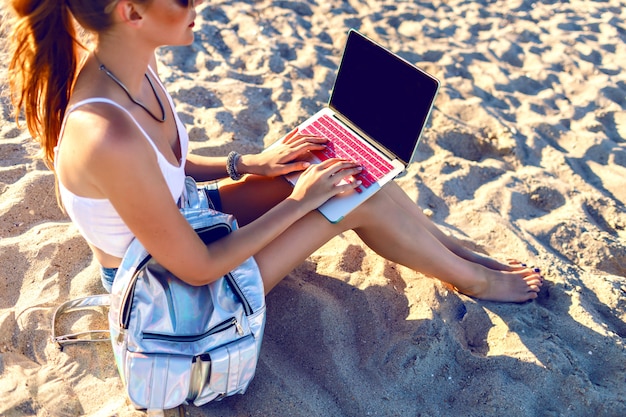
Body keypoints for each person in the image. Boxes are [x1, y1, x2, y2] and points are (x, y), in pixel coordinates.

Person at [6, 0, 542, 302]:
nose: (198, 4)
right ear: (131, 12)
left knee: (340, 161)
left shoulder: (127, 65)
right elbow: (197, 270)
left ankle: (450, 250)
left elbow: (169, 167)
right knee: (351, 198)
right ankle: (474, 279)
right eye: (183, 0)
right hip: (168, 293)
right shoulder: (106, 132)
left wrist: (250, 163)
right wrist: (298, 203)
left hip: (185, 223)